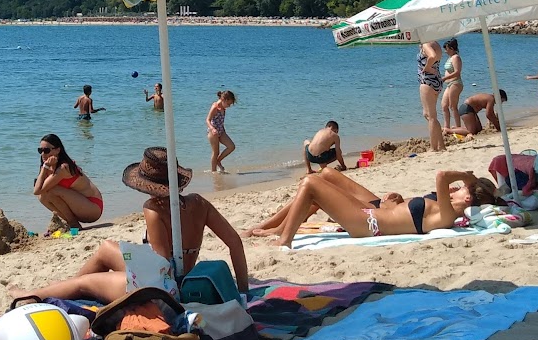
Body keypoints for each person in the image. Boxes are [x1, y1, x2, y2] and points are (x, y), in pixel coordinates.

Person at [15, 148, 249, 303]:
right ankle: (63, 290)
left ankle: (33, 297)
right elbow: (235, 243)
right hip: (183, 277)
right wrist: (243, 293)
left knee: (84, 283)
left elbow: (161, 266)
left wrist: (131, 263)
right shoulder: (199, 202)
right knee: (106, 247)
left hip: (163, 289)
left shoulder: (153, 208)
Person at [248, 166, 498, 248]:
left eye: (465, 188)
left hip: (368, 224)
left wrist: (468, 177)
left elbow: (442, 175)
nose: (461, 186)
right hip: (374, 213)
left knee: (311, 183)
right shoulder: (442, 206)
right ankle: (273, 229)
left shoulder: (447, 215)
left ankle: (284, 241)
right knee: (324, 176)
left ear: (468, 199)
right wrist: (394, 202)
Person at [33, 133, 104, 228]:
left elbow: (37, 190)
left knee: (50, 189)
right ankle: (72, 222)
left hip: (93, 207)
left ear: (58, 150)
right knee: (43, 196)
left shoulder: (63, 168)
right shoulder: (48, 167)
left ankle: (73, 223)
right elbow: (38, 190)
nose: (42, 154)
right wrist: (44, 167)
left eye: (46, 150)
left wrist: (45, 167)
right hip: (80, 207)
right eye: (40, 150)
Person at [417, 41, 445, 153]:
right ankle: (441, 145)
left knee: (431, 116)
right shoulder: (436, 43)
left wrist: (427, 67)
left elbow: (432, 56)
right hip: (436, 80)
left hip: (427, 81)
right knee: (427, 114)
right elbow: (435, 56)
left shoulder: (426, 44)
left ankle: (433, 147)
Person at [206, 90, 237, 171]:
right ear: (224, 100)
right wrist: (213, 129)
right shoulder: (215, 107)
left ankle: (218, 161)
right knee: (215, 152)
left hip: (221, 131)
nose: (229, 106)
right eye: (228, 104)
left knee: (231, 146)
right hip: (213, 132)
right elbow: (207, 120)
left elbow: (221, 121)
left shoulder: (223, 108)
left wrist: (224, 131)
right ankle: (213, 171)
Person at [440, 39, 464, 134]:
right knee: (444, 105)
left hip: (455, 83)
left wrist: (444, 78)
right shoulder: (450, 58)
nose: (445, 51)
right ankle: (447, 127)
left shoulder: (456, 57)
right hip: (449, 84)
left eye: (446, 49)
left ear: (451, 48)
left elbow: (457, 72)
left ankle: (458, 127)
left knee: (453, 106)